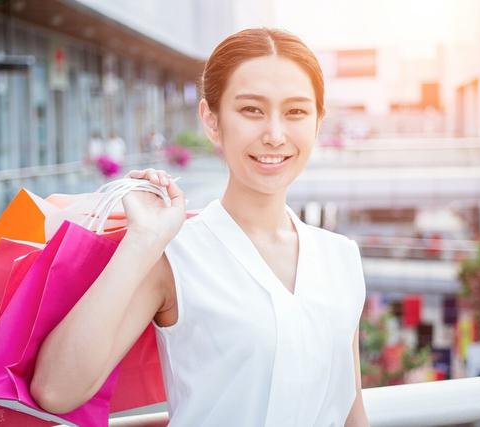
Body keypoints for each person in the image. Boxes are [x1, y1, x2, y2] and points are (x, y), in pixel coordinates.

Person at [30, 28, 369, 427]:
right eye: (251, 110)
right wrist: (142, 240)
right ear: (211, 120)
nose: (275, 135)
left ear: (317, 121)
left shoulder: (341, 257)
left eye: (296, 111)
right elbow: (56, 390)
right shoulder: (176, 254)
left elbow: (351, 414)